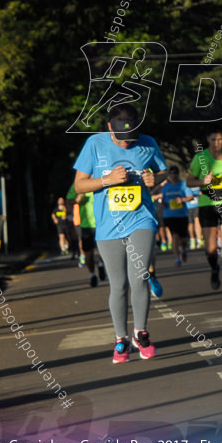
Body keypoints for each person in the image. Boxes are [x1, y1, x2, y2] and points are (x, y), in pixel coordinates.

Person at [73, 103, 167, 363]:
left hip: (141, 219)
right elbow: (79, 184)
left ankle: (141, 332)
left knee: (139, 277)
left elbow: (163, 171)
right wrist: (107, 180)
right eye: (121, 139)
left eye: (131, 139)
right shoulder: (94, 144)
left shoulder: (148, 142)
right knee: (118, 284)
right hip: (108, 225)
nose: (126, 144)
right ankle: (121, 339)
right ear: (109, 129)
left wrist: (154, 180)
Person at [187, 130, 222, 293]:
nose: (217, 143)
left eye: (220, 139)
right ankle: (214, 269)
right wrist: (202, 181)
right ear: (208, 139)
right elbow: (189, 181)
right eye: (213, 139)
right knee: (211, 249)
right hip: (208, 202)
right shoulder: (200, 158)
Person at [67, 186, 106, 287]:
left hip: (101, 223)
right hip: (86, 225)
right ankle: (92, 274)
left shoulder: (103, 177)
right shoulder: (79, 183)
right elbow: (69, 200)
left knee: (103, 250)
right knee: (89, 254)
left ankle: (101, 265)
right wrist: (77, 200)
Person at [160, 167, 192, 266]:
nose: (173, 175)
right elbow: (163, 198)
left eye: (175, 173)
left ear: (178, 174)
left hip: (182, 214)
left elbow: (191, 197)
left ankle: (183, 250)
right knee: (175, 235)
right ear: (169, 175)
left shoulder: (183, 184)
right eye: (171, 173)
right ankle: (177, 258)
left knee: (183, 239)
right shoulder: (165, 186)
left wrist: (182, 200)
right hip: (169, 215)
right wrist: (163, 204)